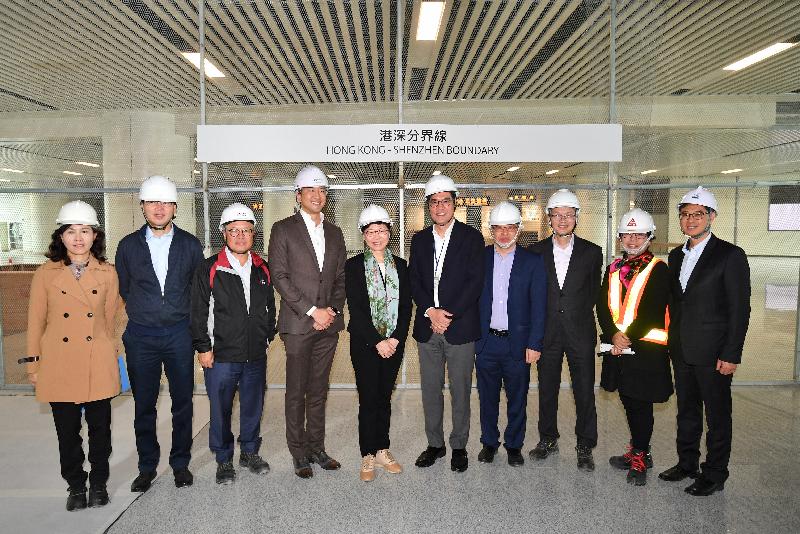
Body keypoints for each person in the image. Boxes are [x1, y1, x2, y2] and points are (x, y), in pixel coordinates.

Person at [26, 200, 120, 511]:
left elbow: (109, 320)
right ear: (61, 236)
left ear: (95, 235)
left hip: (97, 359)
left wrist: (110, 352)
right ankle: (76, 486)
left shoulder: (108, 273)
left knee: (100, 431)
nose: (78, 238)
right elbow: (36, 320)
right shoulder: (45, 273)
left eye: (85, 231)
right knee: (67, 432)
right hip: (59, 361)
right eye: (71, 231)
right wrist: (33, 363)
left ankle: (99, 484)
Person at [658, 186, 750, 496]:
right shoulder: (676, 255)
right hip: (682, 349)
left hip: (714, 353)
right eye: (685, 215)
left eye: (698, 214)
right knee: (687, 410)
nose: (691, 220)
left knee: (717, 415)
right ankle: (687, 464)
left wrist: (731, 353)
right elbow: (676, 303)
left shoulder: (730, 255)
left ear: (712, 217)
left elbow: (740, 309)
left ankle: (715, 473)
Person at [115, 175, 204, 491]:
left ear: (175, 208)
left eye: (166, 202)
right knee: (144, 405)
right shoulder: (128, 246)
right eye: (153, 202)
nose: (159, 208)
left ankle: (180, 464)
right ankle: (147, 466)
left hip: (179, 334)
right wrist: (148, 310)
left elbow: (197, 290)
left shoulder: (190, 245)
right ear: (142, 206)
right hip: (141, 337)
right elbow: (125, 288)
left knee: (183, 403)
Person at [267, 165, 347, 479]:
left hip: (329, 325)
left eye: (322, 190)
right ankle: (298, 452)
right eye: (310, 190)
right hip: (299, 324)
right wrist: (313, 311)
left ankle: (317, 448)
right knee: (296, 391)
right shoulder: (283, 229)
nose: (317, 195)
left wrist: (332, 311)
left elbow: (340, 278)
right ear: (298, 195)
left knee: (318, 390)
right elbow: (280, 276)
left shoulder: (335, 232)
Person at [191, 203, 276, 485]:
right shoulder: (210, 268)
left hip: (255, 354)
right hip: (222, 356)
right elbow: (198, 312)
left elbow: (270, 307)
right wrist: (204, 348)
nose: (240, 236)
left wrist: (266, 337)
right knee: (221, 409)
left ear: (253, 234)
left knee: (253, 406)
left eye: (246, 230)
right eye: (234, 230)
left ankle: (249, 452)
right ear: (224, 234)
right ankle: (223, 458)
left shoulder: (262, 267)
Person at [409, 174, 485, 473]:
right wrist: (431, 311)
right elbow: (414, 280)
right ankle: (435, 444)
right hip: (428, 327)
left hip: (460, 327)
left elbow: (474, 283)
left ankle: (459, 446)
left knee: (460, 390)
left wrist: (447, 315)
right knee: (430, 389)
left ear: (455, 204)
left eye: (445, 201)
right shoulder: (419, 239)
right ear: (428, 206)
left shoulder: (471, 237)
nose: (440, 207)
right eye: (434, 202)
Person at [528, 189, 603, 471]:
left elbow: (594, 293)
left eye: (568, 215)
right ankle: (548, 439)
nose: (562, 220)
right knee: (547, 389)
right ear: (549, 218)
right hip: (547, 333)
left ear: (576, 218)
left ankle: (585, 444)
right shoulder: (535, 252)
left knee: (584, 391)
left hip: (579, 333)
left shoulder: (592, 252)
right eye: (557, 215)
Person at [597, 208, 672, 486]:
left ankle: (641, 456)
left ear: (650, 237)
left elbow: (652, 311)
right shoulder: (613, 269)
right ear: (619, 238)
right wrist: (612, 334)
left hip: (644, 349)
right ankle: (638, 448)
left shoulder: (658, 269)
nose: (632, 240)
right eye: (627, 235)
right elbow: (602, 306)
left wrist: (623, 338)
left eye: (638, 234)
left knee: (641, 404)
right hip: (618, 348)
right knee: (628, 400)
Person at [475, 202, 546, 467]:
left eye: (510, 228)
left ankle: (514, 445)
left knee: (517, 398)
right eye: (498, 228)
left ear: (518, 229)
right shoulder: (480, 258)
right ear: (490, 230)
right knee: (487, 399)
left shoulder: (532, 262)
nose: (504, 234)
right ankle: (489, 443)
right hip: (486, 343)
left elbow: (539, 307)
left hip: (518, 344)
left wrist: (535, 343)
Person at [345, 205, 412, 482]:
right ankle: (368, 454)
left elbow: (406, 307)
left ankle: (383, 449)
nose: (376, 236)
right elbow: (357, 310)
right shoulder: (353, 266)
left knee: (384, 397)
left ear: (389, 233)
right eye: (371, 232)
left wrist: (395, 338)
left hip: (393, 344)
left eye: (381, 231)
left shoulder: (402, 266)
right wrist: (377, 342)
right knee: (368, 398)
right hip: (365, 344)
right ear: (363, 235)